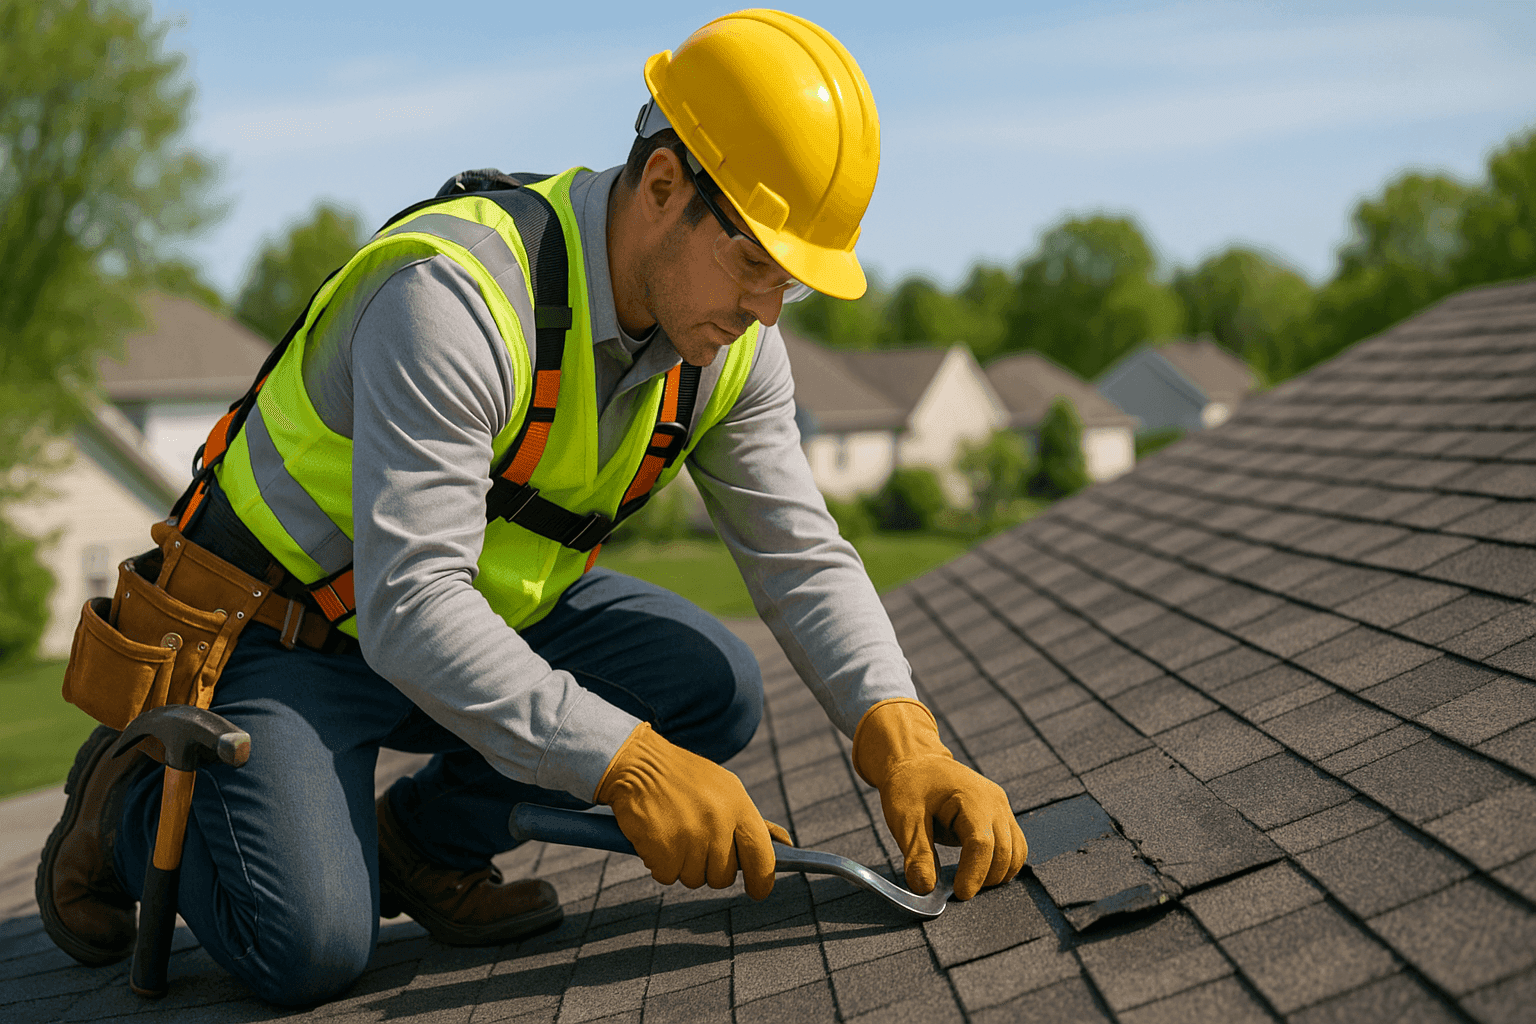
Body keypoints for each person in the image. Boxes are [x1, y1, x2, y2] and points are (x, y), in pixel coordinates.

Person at [38, 9, 1026, 1007]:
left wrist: (906, 741)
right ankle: (128, 798)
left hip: (458, 624)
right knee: (309, 948)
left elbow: (801, 556)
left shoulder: (727, 350)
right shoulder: (456, 299)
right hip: (281, 635)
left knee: (711, 686)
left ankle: (421, 846)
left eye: (792, 284)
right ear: (664, 185)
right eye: (758, 263)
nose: (769, 310)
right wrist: (627, 764)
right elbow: (413, 606)